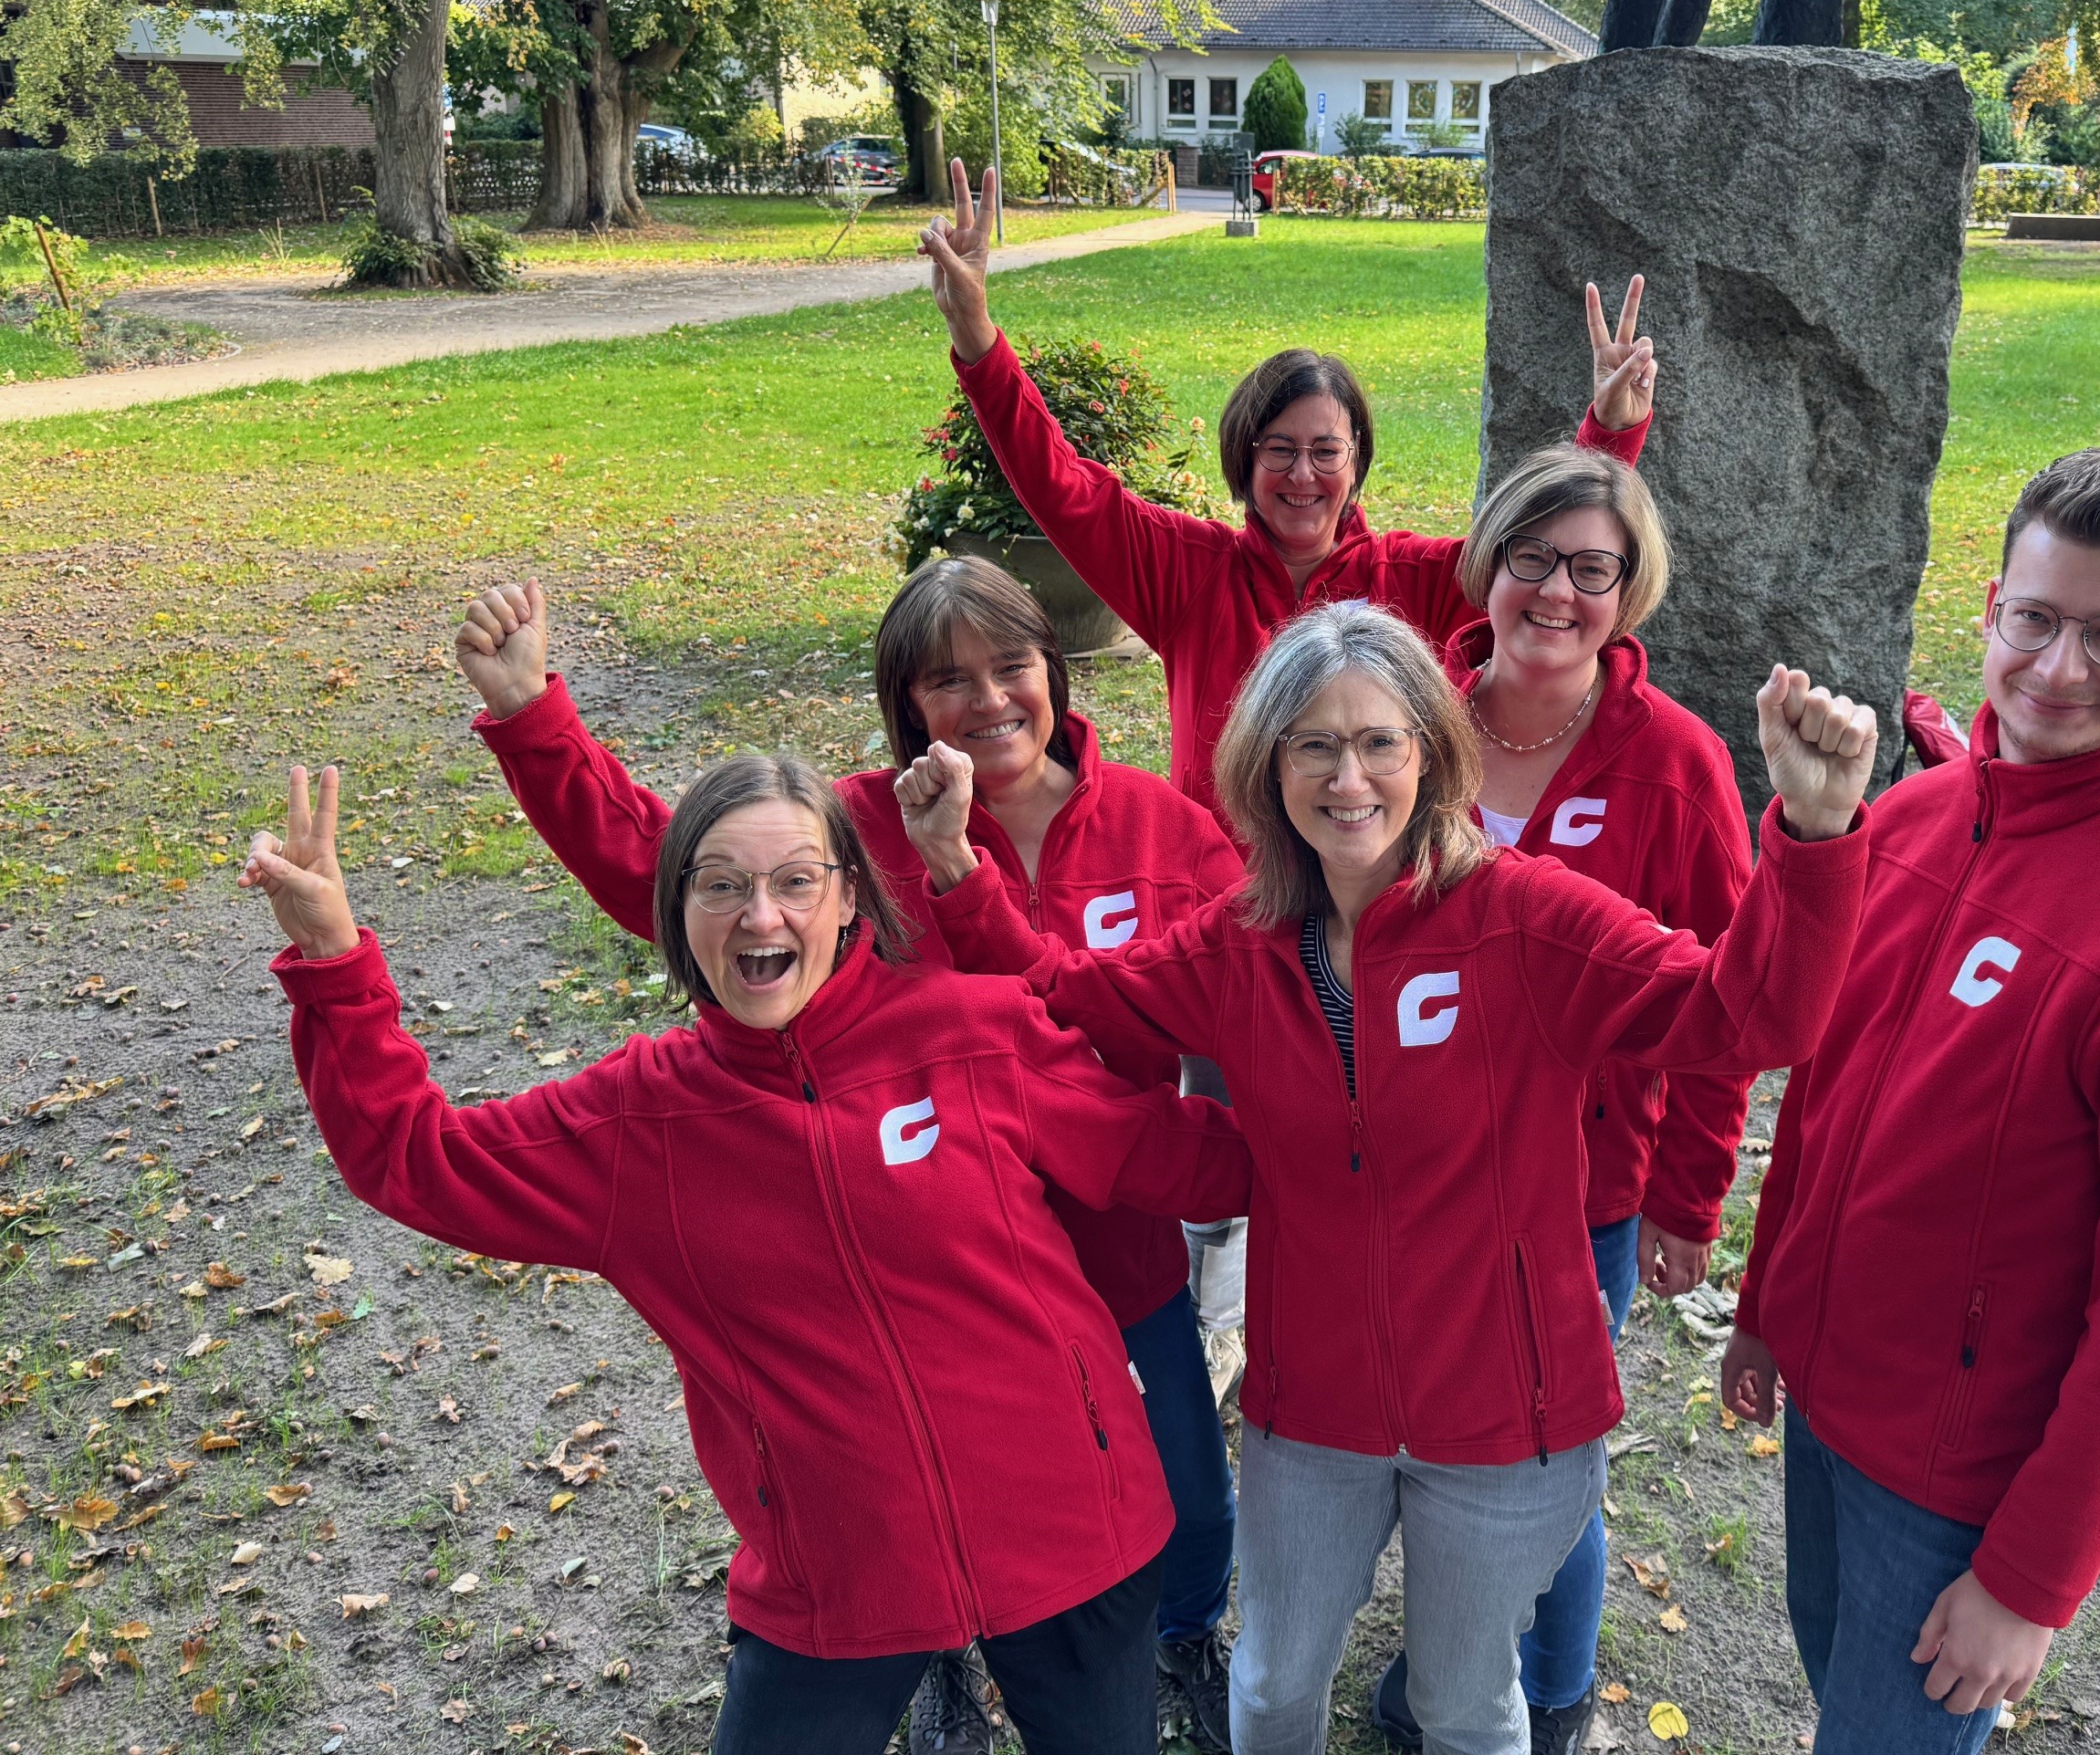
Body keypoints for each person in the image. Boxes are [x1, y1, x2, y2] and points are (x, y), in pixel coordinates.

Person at [896, 601, 1879, 1755]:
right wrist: (961, 874)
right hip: (1315, 1414)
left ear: (1432, 752)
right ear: (1268, 769)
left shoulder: (1528, 921)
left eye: (1379, 742)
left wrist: (1813, 835)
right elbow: (1070, 995)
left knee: (1465, 1707)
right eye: (1313, 743)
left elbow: (1745, 1013)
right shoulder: (1238, 943)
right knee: (1268, 1693)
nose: (1347, 776)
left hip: (1510, 1419)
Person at [238, 753, 1250, 1755]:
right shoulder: (640, 1124)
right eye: (720, 885)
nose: (761, 917)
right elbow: (417, 1161)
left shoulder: (976, 1034)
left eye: (795, 881)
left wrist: (1362, 1117)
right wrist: (336, 966)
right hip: (836, 1577)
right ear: (676, 911)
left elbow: (1190, 1161)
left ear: (851, 896)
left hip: (1077, 1535)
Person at [451, 562, 1250, 1754]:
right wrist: (534, 719)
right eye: (946, 680)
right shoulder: (854, 834)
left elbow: (1249, 1000)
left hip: (1115, 1242)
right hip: (921, 1260)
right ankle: (936, 1648)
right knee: (917, 1484)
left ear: (1056, 669)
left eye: (1008, 666)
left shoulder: (1162, 831)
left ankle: (1180, 1637)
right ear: (904, 704)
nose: (986, 702)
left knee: (1178, 1490)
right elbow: (661, 867)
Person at [1719, 448, 2100, 1752]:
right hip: (1833, 1404)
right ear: (1992, 607)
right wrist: (1767, 1305)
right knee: (1836, 1687)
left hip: (1958, 1487)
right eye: (2036, 620)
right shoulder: (1922, 816)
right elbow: (1823, 1097)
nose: (2056, 668)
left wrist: (2032, 1581)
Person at [1367, 444, 1758, 1755]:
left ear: (1631, 587)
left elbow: (1727, 1002)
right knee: (1436, 1440)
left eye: (1593, 567)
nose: (1557, 590)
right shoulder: (1415, 722)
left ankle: (1555, 1681)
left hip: (1581, 1186)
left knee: (1542, 1457)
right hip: (1415, 1171)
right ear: (1488, 563)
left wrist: (1688, 1194)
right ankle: (1452, 1665)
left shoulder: (1679, 764)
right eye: (1532, 557)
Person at [917, 158, 1660, 823]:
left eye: (1325, 452)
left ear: (1358, 461)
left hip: (1372, 906)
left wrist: (1609, 433)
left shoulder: (1416, 581)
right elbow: (1065, 491)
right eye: (1278, 451)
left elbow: (1537, 557)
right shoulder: (1186, 572)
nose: (1303, 476)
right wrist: (979, 341)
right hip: (1222, 915)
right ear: (1243, 463)